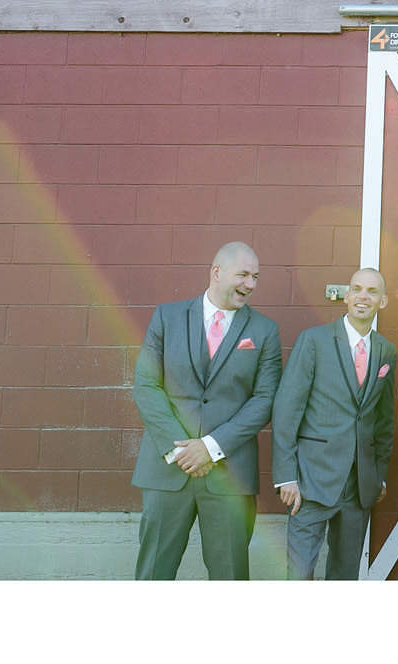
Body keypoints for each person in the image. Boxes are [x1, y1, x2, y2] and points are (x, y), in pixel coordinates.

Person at [131, 241, 282, 580]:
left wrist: (210, 448)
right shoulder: (167, 317)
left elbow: (265, 399)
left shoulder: (264, 330)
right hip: (168, 469)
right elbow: (146, 386)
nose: (250, 284)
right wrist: (182, 451)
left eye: (256, 277)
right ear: (216, 272)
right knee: (154, 573)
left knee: (230, 575)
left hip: (230, 474)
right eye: (243, 275)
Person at [271, 267, 398, 580]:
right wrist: (286, 476)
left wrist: (378, 474)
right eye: (357, 289)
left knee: (345, 574)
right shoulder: (314, 340)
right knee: (299, 574)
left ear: (383, 301)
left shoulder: (386, 351)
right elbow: (287, 410)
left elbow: (383, 421)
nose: (362, 297)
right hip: (310, 481)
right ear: (347, 296)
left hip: (358, 486)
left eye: (372, 291)